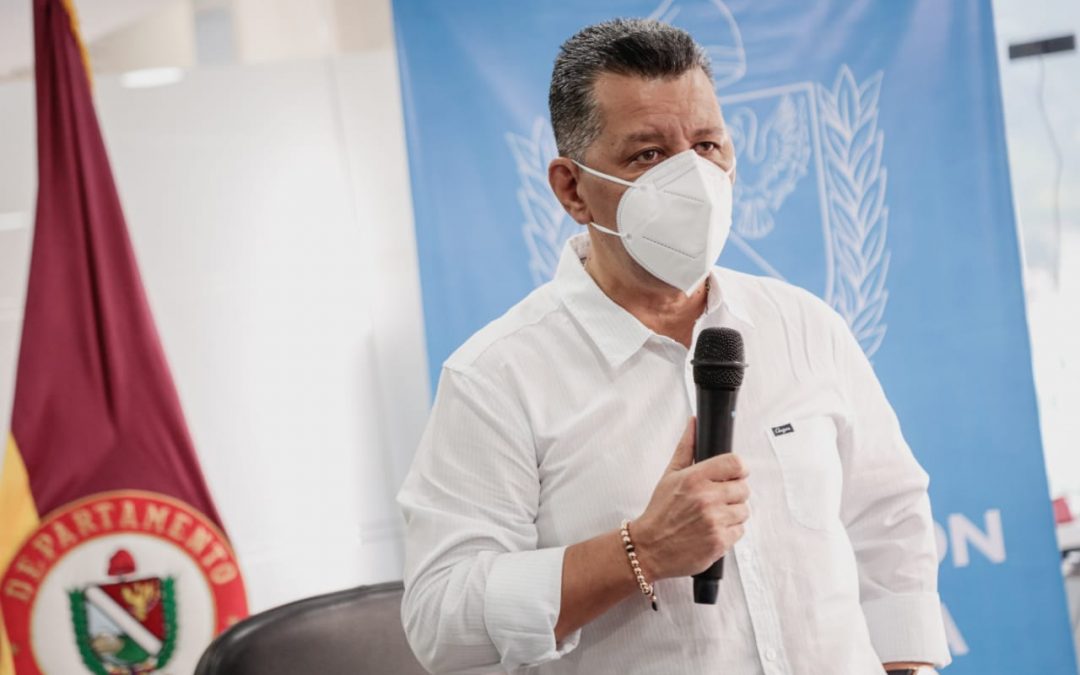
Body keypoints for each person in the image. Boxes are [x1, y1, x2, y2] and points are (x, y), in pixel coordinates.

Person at [397, 18, 950, 675]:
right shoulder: (497, 377)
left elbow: (887, 516)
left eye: (708, 145)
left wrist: (907, 666)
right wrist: (640, 550)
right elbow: (441, 619)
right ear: (572, 189)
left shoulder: (804, 324)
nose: (694, 177)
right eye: (648, 155)